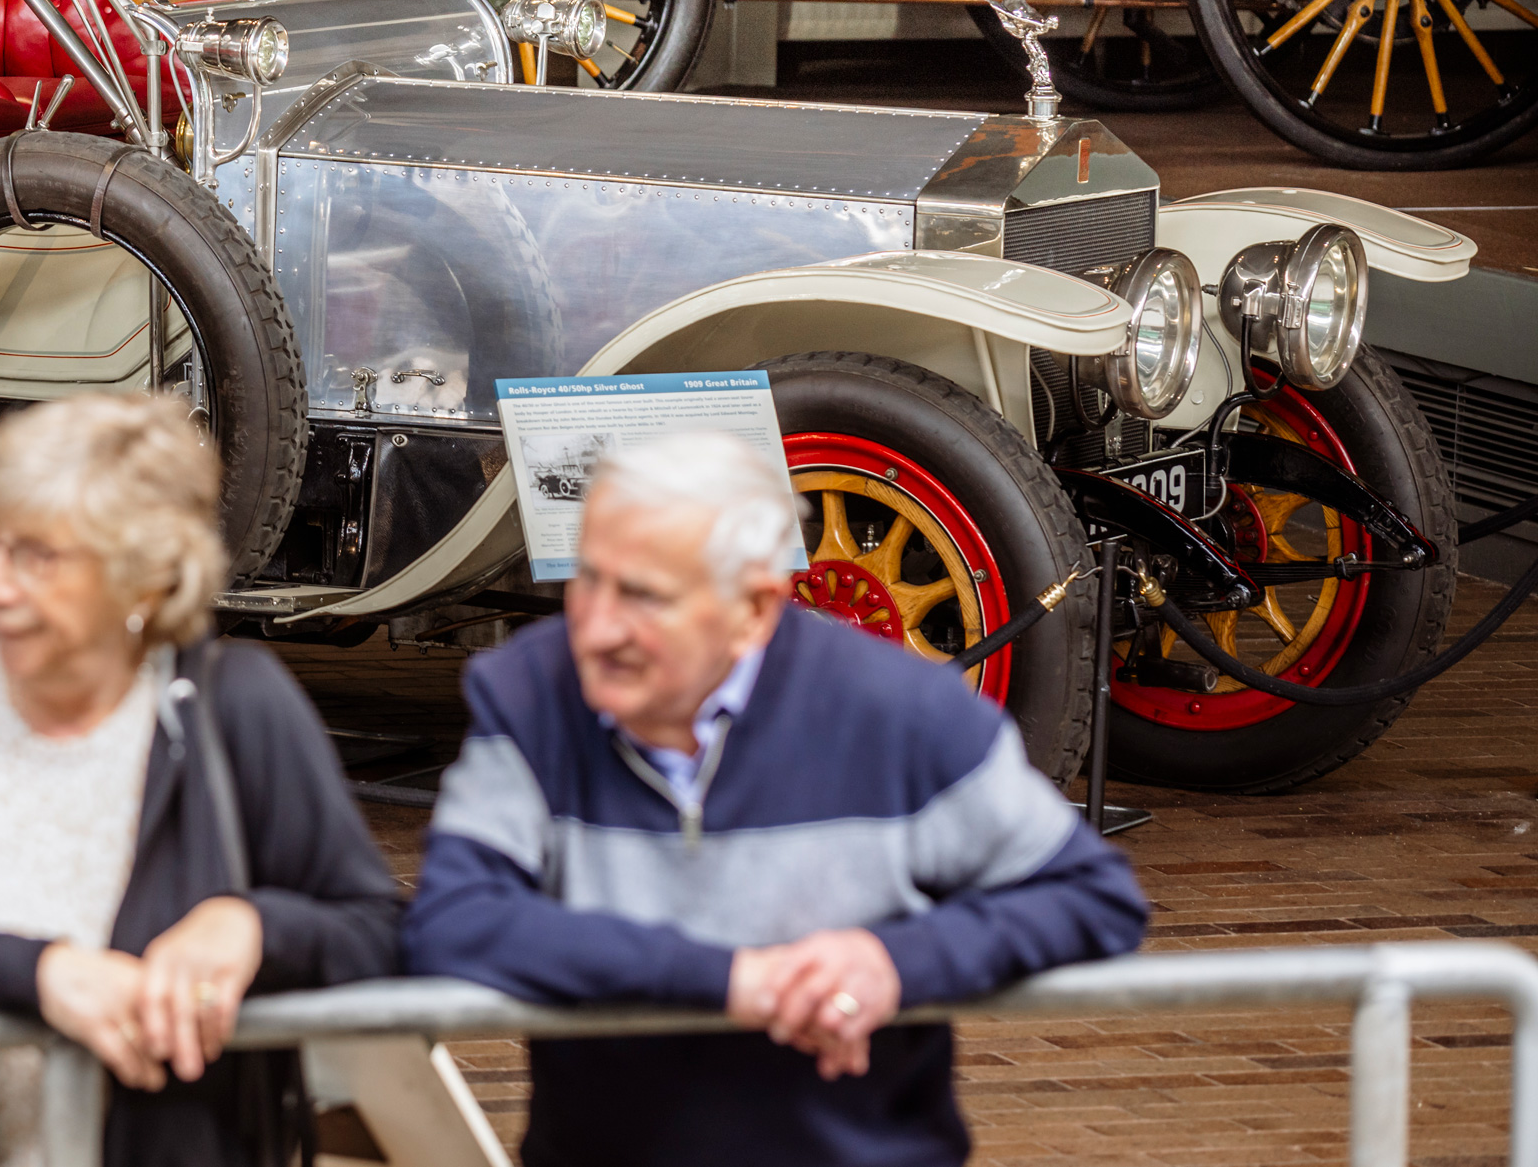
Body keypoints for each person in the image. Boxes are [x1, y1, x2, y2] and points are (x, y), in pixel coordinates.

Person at [402, 431, 1147, 1167]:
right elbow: (453, 920)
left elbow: (1090, 893)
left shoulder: (902, 713)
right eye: (588, 579)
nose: (597, 626)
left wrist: (893, 963)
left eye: (643, 595)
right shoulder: (529, 694)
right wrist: (732, 981)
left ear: (755, 608)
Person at [0, 394, 400, 1167]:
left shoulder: (235, 706)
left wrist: (255, 926)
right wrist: (33, 972)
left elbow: (377, 933)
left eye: (36, 554)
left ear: (144, 579)